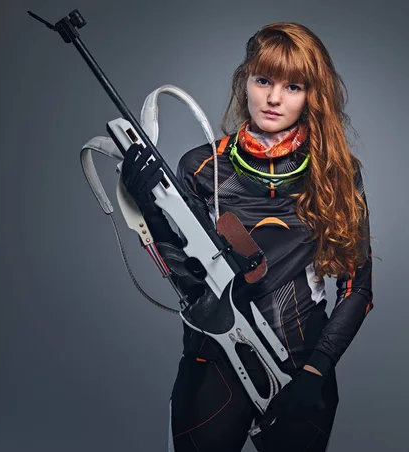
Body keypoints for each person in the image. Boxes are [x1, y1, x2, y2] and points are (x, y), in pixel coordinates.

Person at [120, 22, 373, 452]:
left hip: (300, 369)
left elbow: (357, 288)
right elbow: (188, 280)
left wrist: (316, 371)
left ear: (313, 95)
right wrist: (150, 209)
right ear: (245, 81)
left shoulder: (336, 173)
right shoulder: (201, 166)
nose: (274, 98)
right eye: (263, 80)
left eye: (293, 86)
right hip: (213, 362)